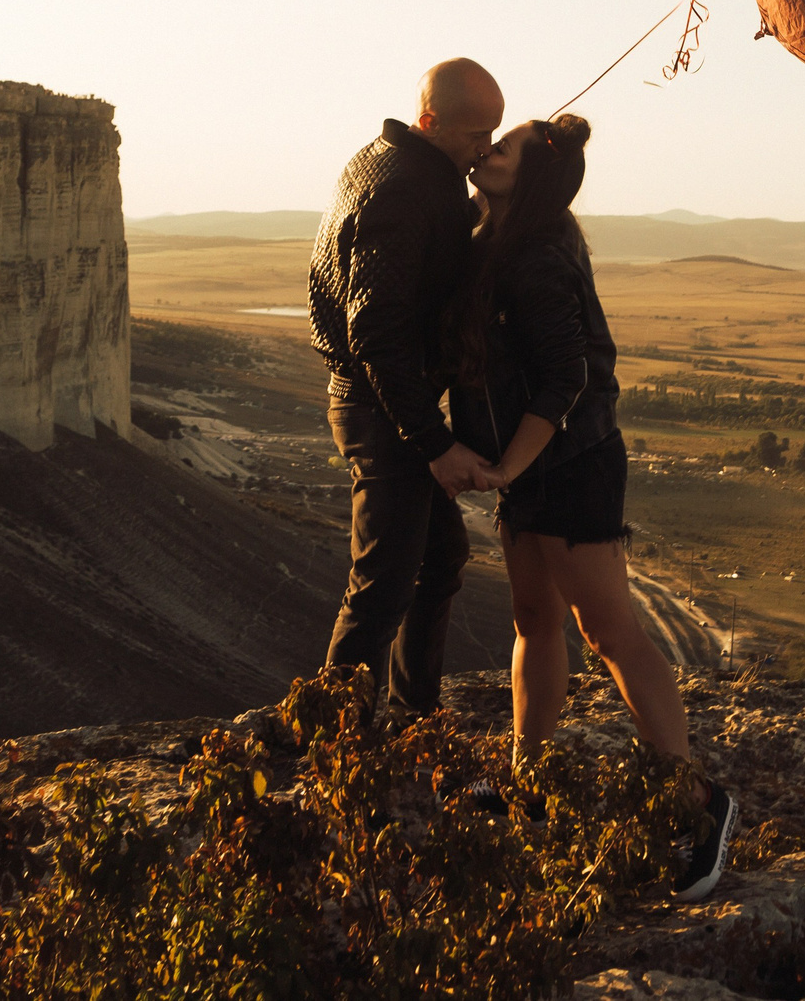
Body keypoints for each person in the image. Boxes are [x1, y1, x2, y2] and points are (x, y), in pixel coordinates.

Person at [451, 112, 738, 902]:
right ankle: (527, 780)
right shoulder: (496, 242)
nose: (487, 148)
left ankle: (699, 803)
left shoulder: (537, 257)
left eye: (502, 146)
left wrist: (506, 465)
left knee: (609, 632)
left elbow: (567, 377)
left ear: (532, 177)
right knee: (533, 620)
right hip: (531, 463)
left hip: (569, 462)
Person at [308, 59, 505, 712]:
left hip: (381, 401)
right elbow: (376, 331)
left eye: (494, 136)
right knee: (383, 584)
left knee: (440, 554)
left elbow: (417, 257)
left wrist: (468, 214)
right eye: (477, 136)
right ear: (430, 121)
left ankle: (412, 712)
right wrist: (434, 443)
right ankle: (335, 738)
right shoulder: (404, 187)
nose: (486, 151)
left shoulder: (399, 167)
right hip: (381, 406)